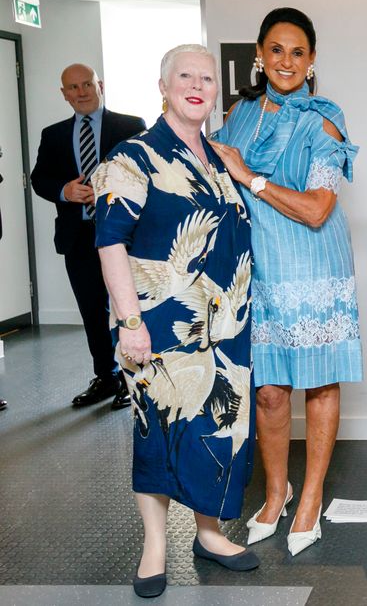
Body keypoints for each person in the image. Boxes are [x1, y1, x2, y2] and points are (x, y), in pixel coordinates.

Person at [93, 44, 258, 598]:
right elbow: (110, 242)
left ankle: (209, 533)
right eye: (184, 76)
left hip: (227, 328)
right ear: (163, 86)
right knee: (158, 431)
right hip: (160, 325)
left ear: (216, 91)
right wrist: (128, 322)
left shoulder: (219, 156)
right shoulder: (132, 157)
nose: (197, 85)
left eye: (206, 79)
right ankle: (156, 545)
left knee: (219, 428)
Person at [209, 7, 362, 557]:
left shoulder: (325, 119)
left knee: (319, 383)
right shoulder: (238, 114)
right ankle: (276, 492)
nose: (287, 61)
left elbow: (320, 209)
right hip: (258, 267)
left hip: (313, 263)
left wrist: (249, 175)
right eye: (277, 49)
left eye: (299, 52)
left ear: (313, 59)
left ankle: (311, 497)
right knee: (270, 392)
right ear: (258, 53)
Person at [31, 63, 145, 410]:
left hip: (123, 237)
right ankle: (106, 377)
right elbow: (40, 179)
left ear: (101, 85)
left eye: (86, 85)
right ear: (63, 94)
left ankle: (132, 379)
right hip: (78, 238)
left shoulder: (130, 126)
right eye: (73, 88)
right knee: (92, 311)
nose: (81, 92)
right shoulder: (52, 135)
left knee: (126, 309)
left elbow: (143, 173)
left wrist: (110, 190)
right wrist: (65, 191)